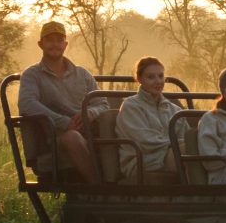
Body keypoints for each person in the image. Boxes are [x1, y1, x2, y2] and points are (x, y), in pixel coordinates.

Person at [18, 21, 107, 183]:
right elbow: (27, 103)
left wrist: (89, 113)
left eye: (59, 40)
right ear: (41, 44)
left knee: (121, 130)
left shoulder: (82, 74)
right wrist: (64, 122)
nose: (55, 44)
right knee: (72, 137)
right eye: (50, 40)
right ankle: (100, 190)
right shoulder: (32, 75)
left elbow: (103, 103)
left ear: (65, 44)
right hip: (55, 137)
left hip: (90, 130)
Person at [115, 57, 187, 181]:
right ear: (140, 79)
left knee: (196, 148)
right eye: (150, 77)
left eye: (160, 76)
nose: (158, 81)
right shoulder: (130, 107)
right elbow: (145, 142)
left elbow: (186, 135)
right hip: (142, 159)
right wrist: (178, 143)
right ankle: (199, 194)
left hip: (169, 153)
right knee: (188, 150)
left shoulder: (174, 109)